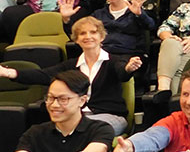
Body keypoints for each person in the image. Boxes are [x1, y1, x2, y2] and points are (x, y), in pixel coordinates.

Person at [0, 16, 140, 135]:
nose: (88, 36)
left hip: (109, 117)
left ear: (101, 37)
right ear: (77, 39)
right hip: (75, 117)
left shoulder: (114, 61)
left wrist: (128, 69)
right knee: (44, 131)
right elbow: (43, 75)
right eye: (83, 34)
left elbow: (123, 72)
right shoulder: (71, 65)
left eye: (93, 32)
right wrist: (10, 72)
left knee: (82, 128)